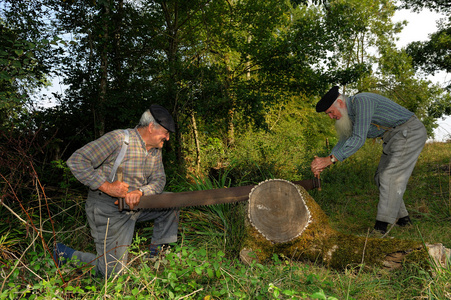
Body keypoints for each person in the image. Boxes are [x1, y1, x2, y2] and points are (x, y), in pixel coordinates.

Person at [54, 104, 179, 277]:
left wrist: (141, 192)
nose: (167, 138)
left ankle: (157, 261)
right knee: (111, 273)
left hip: (137, 205)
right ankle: (63, 254)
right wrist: (107, 186)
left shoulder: (155, 151)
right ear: (151, 127)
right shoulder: (119, 139)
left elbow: (159, 180)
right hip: (108, 208)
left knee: (171, 202)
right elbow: (77, 161)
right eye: (165, 133)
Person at [311, 86, 427, 235]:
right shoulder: (349, 115)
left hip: (409, 132)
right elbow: (345, 139)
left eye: (330, 112)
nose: (331, 117)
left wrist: (330, 160)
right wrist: (325, 162)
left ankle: (380, 228)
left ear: (340, 103)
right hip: (393, 137)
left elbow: (358, 139)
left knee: (389, 176)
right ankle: (404, 220)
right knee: (380, 177)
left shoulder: (362, 102)